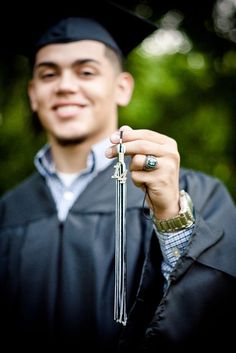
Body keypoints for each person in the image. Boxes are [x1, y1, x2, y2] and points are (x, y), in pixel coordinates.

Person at [0, 1, 236, 352]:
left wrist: (171, 217)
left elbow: (220, 316)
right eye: (49, 74)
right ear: (34, 94)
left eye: (86, 72)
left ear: (122, 87)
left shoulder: (197, 194)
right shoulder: (7, 210)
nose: (65, 86)